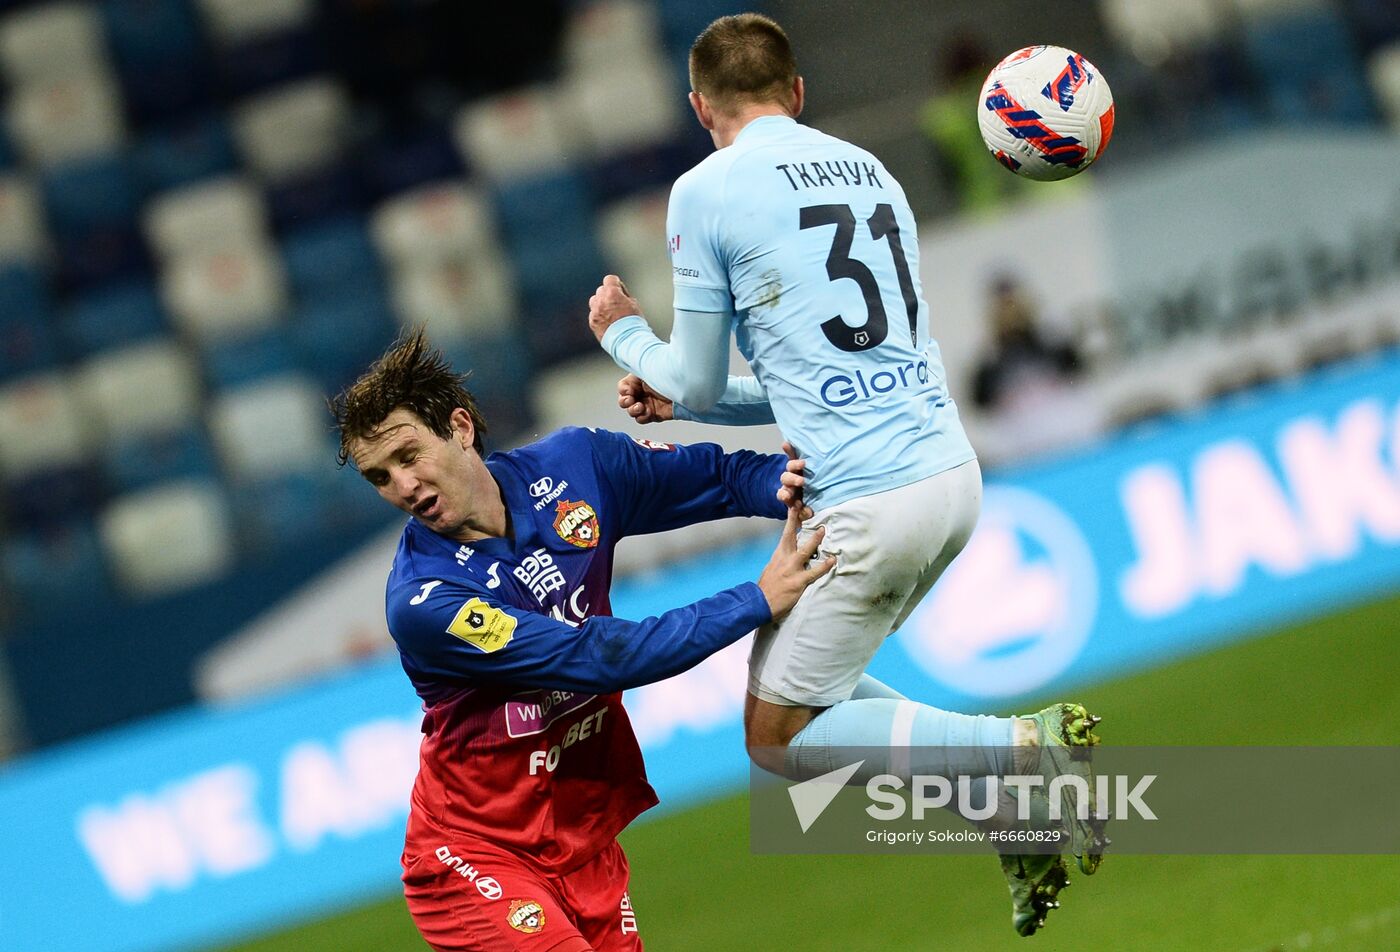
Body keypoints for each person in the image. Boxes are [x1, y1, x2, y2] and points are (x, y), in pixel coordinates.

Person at [585, 13, 1105, 937]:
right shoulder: (870, 171)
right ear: (797, 91)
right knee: (812, 700)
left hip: (865, 503)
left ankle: (1017, 752)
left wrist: (624, 335)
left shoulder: (705, 190)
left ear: (699, 106)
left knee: (775, 739)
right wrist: (689, 398)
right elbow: (802, 380)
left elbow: (692, 376)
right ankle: (1009, 816)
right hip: (949, 478)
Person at [331, 328, 834, 952]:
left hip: (580, 841)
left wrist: (814, 497)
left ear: (459, 427)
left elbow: (725, 478)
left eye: (409, 455)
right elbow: (595, 656)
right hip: (473, 854)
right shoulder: (424, 601)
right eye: (380, 476)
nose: (403, 486)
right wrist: (757, 598)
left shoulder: (575, 467)